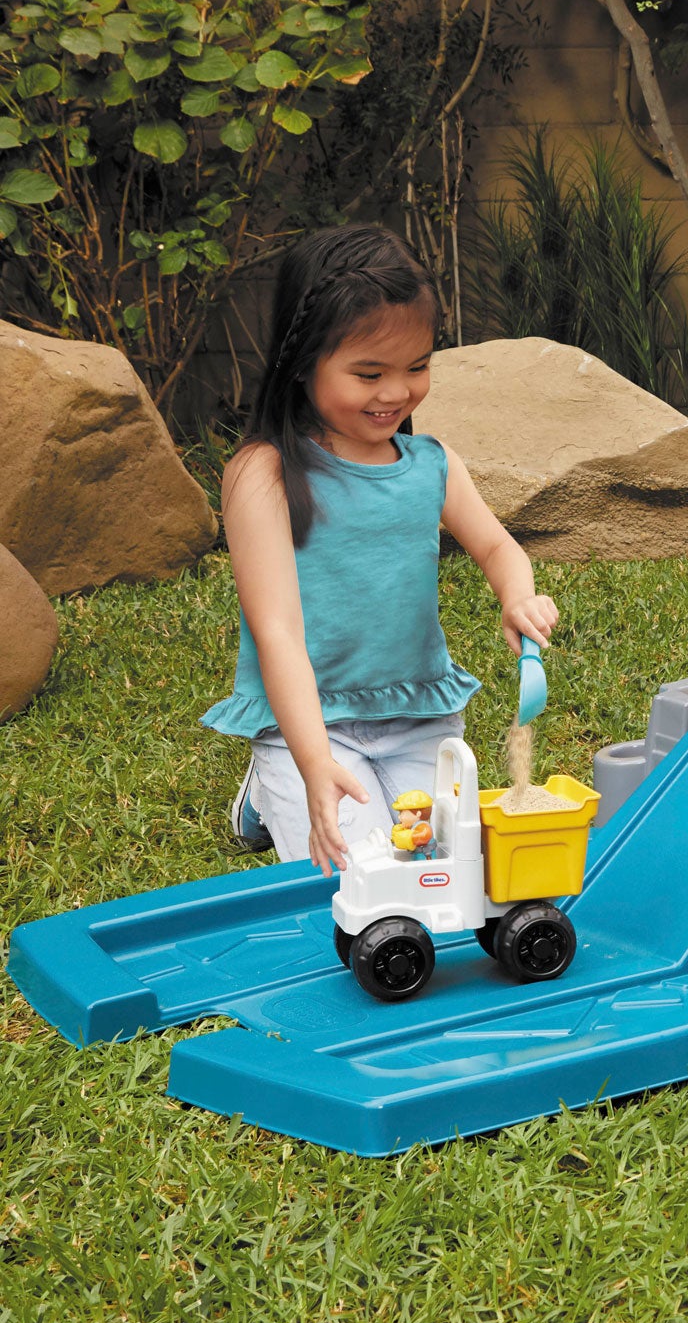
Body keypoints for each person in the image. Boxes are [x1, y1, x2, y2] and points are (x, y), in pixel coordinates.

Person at [204, 224, 559, 873]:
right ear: (301, 362)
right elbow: (277, 631)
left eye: (417, 367)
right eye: (369, 373)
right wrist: (313, 763)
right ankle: (271, 784)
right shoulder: (264, 474)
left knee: (446, 866)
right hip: (307, 725)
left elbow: (498, 548)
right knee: (357, 877)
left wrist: (518, 597)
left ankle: (276, 793)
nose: (397, 392)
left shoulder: (432, 464)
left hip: (418, 715)